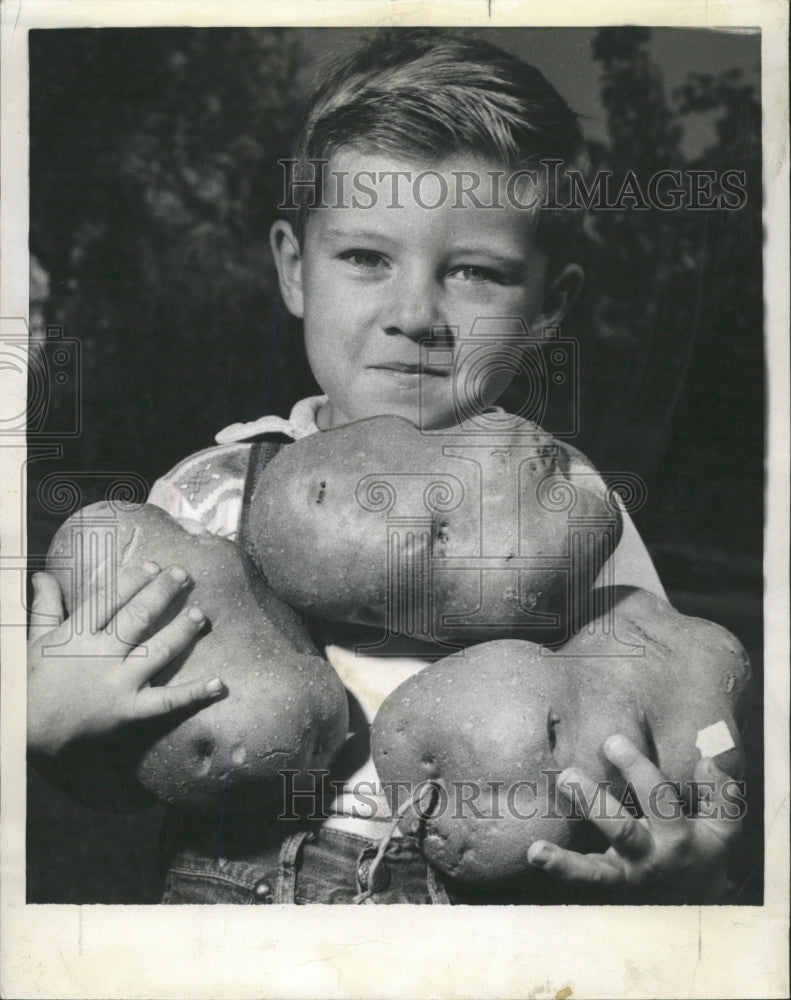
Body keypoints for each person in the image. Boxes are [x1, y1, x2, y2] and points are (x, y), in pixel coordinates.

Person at [27, 28, 741, 904]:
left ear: (549, 307)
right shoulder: (204, 499)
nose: (415, 313)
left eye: (475, 273)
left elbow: (671, 728)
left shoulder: (577, 516)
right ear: (295, 270)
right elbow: (127, 774)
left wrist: (685, 855)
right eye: (366, 257)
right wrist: (49, 729)